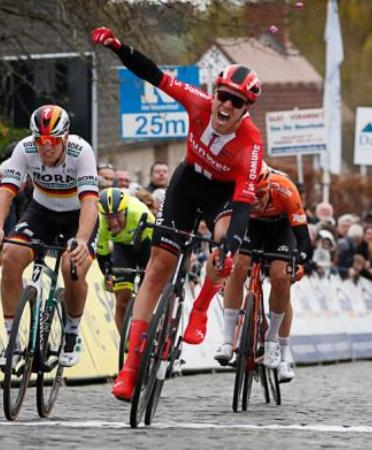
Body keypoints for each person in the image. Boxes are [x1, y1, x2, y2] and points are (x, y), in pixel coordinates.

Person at [91, 26, 263, 400]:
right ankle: (130, 368)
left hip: (222, 197)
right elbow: (153, 74)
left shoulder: (251, 145)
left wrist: (230, 246)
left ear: (246, 109)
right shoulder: (199, 103)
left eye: (236, 102)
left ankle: (200, 309)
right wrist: (120, 46)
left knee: (225, 248)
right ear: (214, 94)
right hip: (186, 186)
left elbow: (244, 203)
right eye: (223, 96)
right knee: (157, 268)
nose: (226, 106)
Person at [0, 104, 99, 369]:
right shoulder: (25, 149)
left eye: (53, 141)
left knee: (73, 265)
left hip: (77, 216)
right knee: (10, 255)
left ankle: (71, 330)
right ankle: (12, 342)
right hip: (41, 213)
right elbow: (5, 192)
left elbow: (91, 201)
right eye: (40, 141)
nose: (46, 147)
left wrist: (81, 239)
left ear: (65, 138)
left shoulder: (81, 152)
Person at [210, 165, 312, 383]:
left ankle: (275, 342)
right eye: (251, 196)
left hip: (280, 230)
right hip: (251, 225)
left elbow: (304, 239)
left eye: (260, 195)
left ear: (269, 188)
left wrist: (299, 259)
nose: (256, 200)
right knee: (239, 266)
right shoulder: (237, 190)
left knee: (280, 276)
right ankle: (228, 340)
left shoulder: (285, 189)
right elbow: (222, 223)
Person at [96, 188, 154, 332]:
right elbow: (102, 254)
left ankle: (151, 333)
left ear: (125, 210)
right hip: (123, 248)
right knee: (122, 300)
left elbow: (159, 247)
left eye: (117, 216)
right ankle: (126, 345)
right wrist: (108, 275)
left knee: (146, 295)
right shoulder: (102, 224)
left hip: (146, 245)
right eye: (109, 217)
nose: (114, 222)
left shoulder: (141, 213)